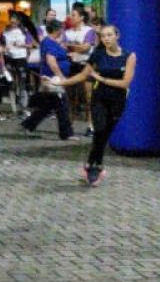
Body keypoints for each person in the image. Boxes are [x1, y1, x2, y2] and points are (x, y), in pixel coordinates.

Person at [53, 24, 136, 186]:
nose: (106, 39)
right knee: (99, 129)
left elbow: (125, 83)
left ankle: (93, 163)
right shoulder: (98, 54)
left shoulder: (129, 56)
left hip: (118, 100)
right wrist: (61, 82)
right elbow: (83, 75)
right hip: (100, 98)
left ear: (117, 36)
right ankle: (94, 168)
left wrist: (100, 78)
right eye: (103, 36)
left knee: (103, 136)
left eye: (110, 35)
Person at [20, 19, 75, 140]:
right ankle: (66, 133)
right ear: (57, 30)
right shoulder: (49, 43)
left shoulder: (50, 42)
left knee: (48, 105)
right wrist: (61, 77)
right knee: (62, 104)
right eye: (61, 29)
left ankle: (28, 124)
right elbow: (51, 61)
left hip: (51, 77)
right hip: (53, 79)